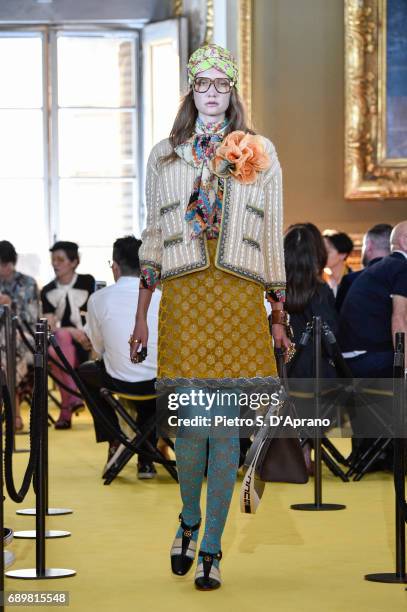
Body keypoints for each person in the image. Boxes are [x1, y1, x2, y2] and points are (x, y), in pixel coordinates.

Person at [130, 44, 289, 591]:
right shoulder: (165, 154)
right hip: (185, 295)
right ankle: (189, 518)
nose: (214, 93)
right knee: (193, 430)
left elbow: (271, 236)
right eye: (205, 84)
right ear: (192, 90)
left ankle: (213, 549)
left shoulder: (260, 152)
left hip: (239, 295)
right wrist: (140, 315)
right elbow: (153, 232)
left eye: (223, 84)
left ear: (234, 91)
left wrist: (277, 313)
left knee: (225, 432)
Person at [79, 236, 160, 479]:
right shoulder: (161, 297)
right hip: (160, 385)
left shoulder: (98, 299)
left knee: (85, 372)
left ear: (115, 266)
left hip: (119, 381)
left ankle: (114, 437)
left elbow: (97, 347)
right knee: (152, 378)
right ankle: (147, 455)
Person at [338, 221, 407, 468]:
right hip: (366, 360)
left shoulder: (379, 270)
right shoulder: (401, 267)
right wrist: (404, 367)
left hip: (349, 361)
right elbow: (399, 319)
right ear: (404, 242)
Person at [283, 225, 338, 472]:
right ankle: (306, 449)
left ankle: (297, 448)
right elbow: (332, 339)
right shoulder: (321, 293)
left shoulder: (274, 293)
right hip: (318, 380)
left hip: (279, 376)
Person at [41, 241, 95, 429]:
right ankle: (73, 397)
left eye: (60, 259)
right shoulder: (48, 290)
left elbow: (95, 315)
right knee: (60, 341)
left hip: (87, 339)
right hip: (61, 340)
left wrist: (87, 335)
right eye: (53, 260)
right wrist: (71, 330)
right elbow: (50, 325)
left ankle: (66, 409)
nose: (55, 264)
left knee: (55, 353)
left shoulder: (87, 281)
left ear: (74, 262)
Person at [0, 240, 39, 430]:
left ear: (11, 263)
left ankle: (13, 411)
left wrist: (11, 304)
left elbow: (32, 318)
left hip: (24, 336)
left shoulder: (28, 283)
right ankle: (13, 412)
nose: (3, 269)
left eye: (5, 264)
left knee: (8, 347)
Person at [336, 224, 392, 311]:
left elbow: (338, 318)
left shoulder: (351, 280)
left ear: (369, 246)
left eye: (363, 246)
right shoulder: (400, 278)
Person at [323, 230, 354, 296]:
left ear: (342, 254)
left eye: (327, 252)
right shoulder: (322, 279)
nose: (322, 255)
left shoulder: (353, 281)